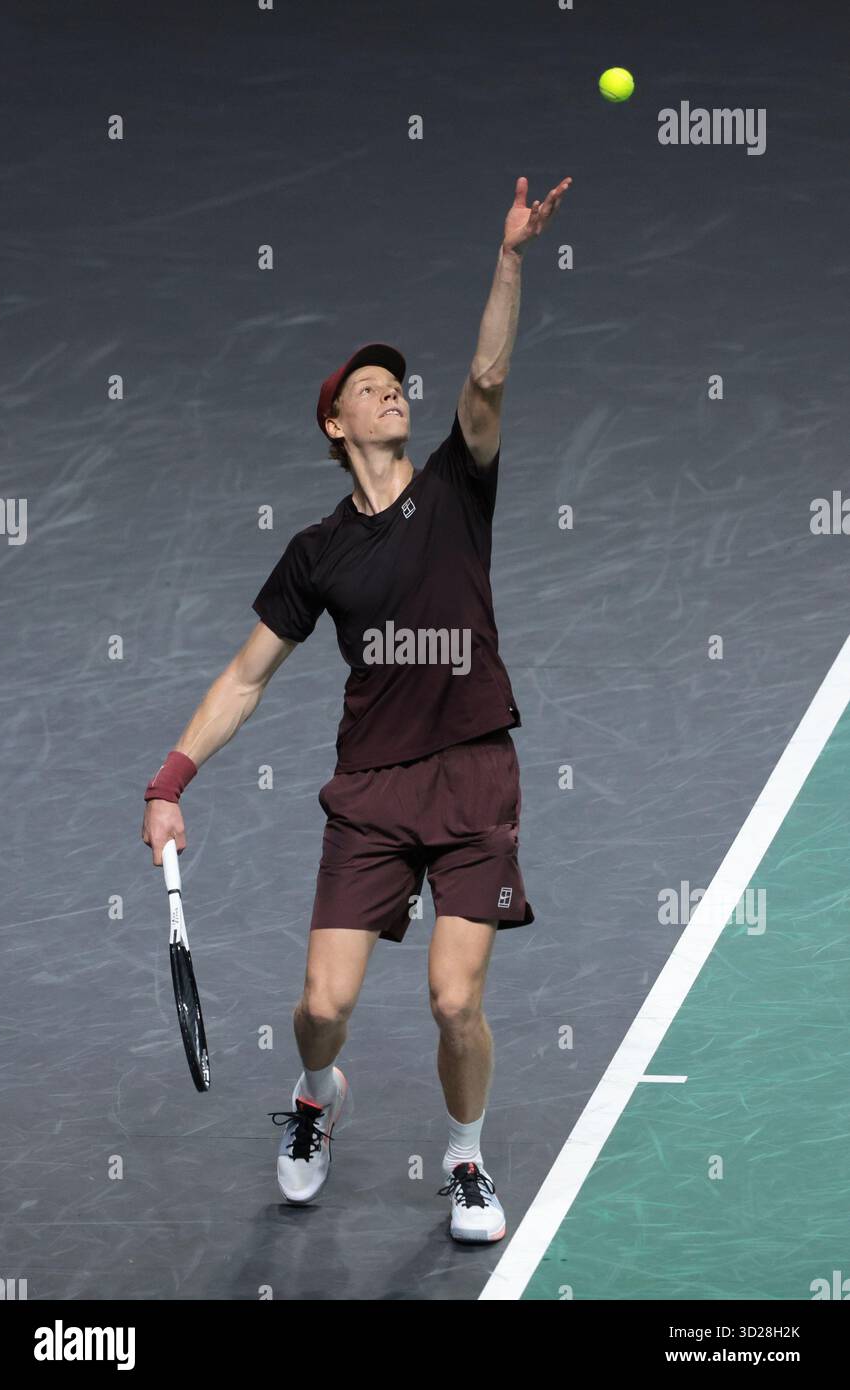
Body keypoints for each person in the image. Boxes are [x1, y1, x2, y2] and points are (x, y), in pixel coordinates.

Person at [142, 174, 572, 1244]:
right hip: (371, 789)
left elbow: (485, 372)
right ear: (334, 423)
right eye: (368, 386)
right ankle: (314, 1095)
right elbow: (246, 676)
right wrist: (169, 782)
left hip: (473, 770)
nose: (392, 390)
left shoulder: (454, 488)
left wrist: (510, 256)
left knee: (450, 999)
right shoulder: (316, 553)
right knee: (324, 1007)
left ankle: (464, 1160)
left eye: (395, 382)